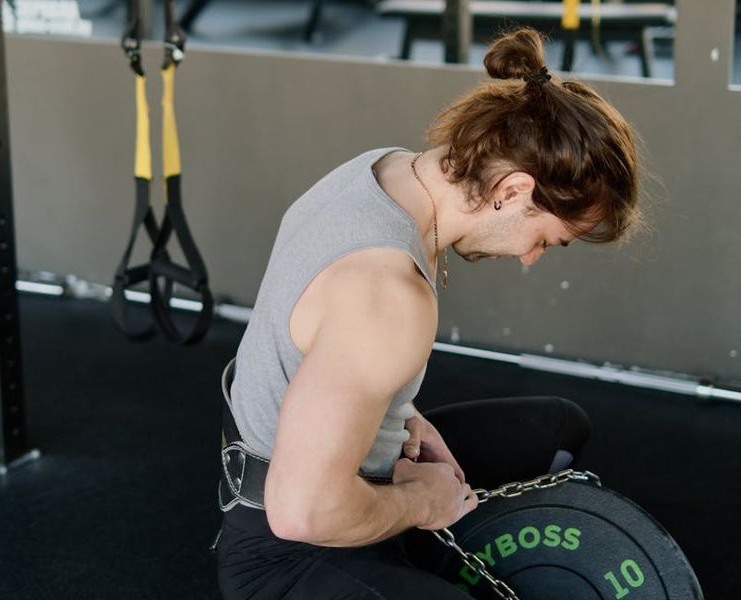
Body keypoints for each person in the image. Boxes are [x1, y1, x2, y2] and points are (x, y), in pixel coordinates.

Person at [214, 27, 641, 599]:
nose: (533, 258)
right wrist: (422, 502)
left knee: (560, 427)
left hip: (322, 462)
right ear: (513, 190)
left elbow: (324, 344)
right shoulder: (388, 293)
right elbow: (301, 513)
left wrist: (406, 415)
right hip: (286, 552)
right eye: (547, 238)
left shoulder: (385, 171)